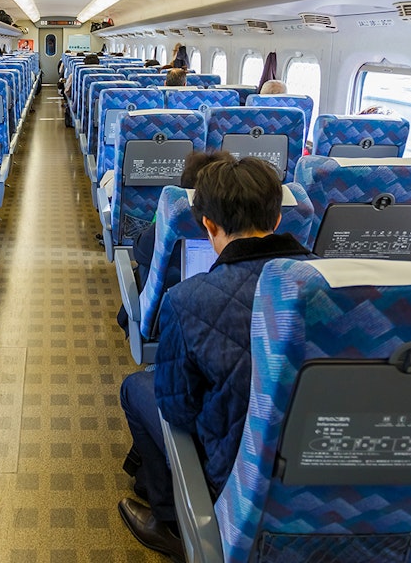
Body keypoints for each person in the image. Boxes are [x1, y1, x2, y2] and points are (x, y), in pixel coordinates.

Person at [117, 158, 312, 560]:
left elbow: (176, 409)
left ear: (207, 225)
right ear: (277, 219)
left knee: (137, 388)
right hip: (318, 459)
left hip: (240, 476)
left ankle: (170, 521)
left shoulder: (188, 300)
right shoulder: (338, 287)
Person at [117, 150, 229, 335]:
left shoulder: (173, 220)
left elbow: (141, 251)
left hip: (167, 322)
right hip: (227, 322)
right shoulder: (245, 226)